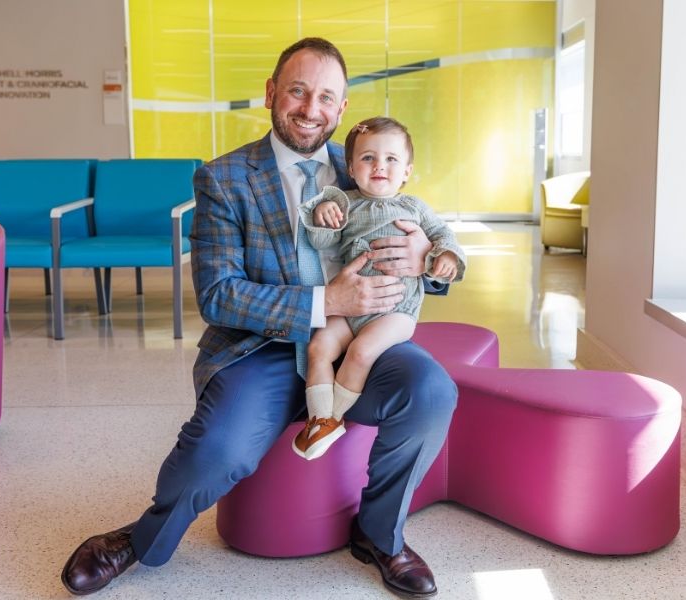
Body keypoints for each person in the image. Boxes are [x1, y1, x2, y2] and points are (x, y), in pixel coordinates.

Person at [61, 37, 459, 599]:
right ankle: (140, 538)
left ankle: (379, 535)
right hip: (262, 347)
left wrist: (426, 260)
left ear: (342, 109)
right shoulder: (223, 179)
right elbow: (219, 295)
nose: (309, 108)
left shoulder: (370, 164)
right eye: (297, 90)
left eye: (326, 97)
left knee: (432, 392)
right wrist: (327, 304)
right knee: (218, 451)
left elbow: (430, 241)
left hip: (359, 344)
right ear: (272, 92)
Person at [292, 116, 466, 460]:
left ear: (407, 171)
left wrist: (443, 255)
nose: (379, 167)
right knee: (319, 347)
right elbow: (323, 240)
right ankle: (319, 419)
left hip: (394, 311)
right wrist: (322, 214)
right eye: (368, 158)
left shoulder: (414, 208)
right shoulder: (345, 202)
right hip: (350, 307)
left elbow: (444, 235)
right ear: (352, 168)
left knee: (360, 353)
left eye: (391, 159)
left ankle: (333, 418)